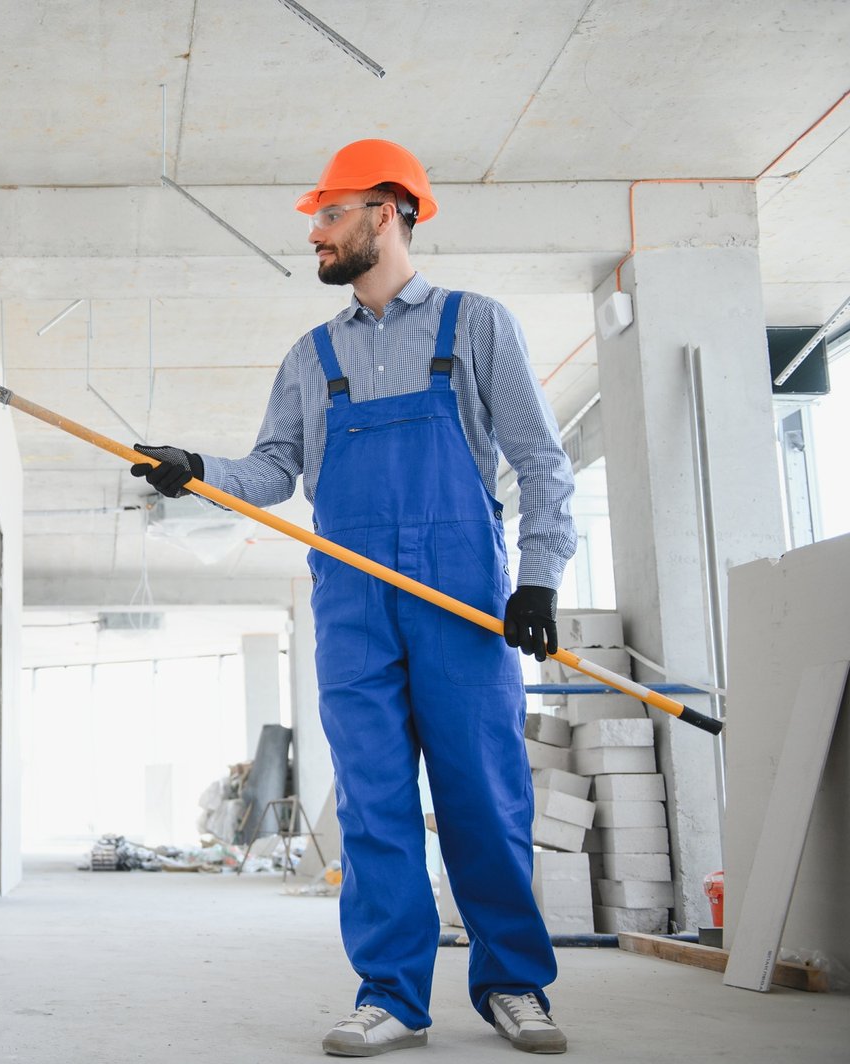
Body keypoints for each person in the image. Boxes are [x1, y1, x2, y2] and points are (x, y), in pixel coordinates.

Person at [130, 140, 576, 1056]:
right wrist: (197, 471)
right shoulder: (311, 354)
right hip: (352, 602)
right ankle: (392, 996)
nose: (316, 235)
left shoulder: (475, 324)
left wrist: (538, 578)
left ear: (386, 211)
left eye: (329, 215)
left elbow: (540, 462)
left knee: (484, 799)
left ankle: (514, 985)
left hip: (459, 596)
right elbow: (271, 471)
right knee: (375, 805)